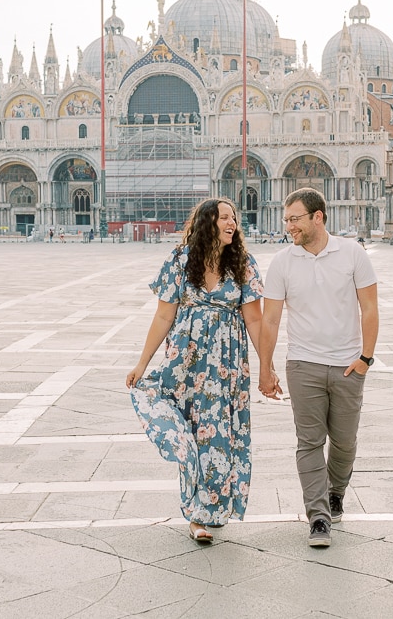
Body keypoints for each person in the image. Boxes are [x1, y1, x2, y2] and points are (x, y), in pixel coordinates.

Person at [126, 198, 264, 544]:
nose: (232, 223)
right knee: (188, 436)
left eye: (234, 218)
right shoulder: (180, 260)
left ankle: (208, 513)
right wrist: (142, 363)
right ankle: (195, 510)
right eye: (224, 218)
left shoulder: (244, 264)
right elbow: (163, 316)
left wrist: (269, 367)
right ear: (207, 222)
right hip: (184, 363)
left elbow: (255, 320)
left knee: (218, 435)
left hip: (226, 366)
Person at [258, 187, 378, 548]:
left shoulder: (353, 254)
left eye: (295, 219)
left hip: (347, 365)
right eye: (286, 219)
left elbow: (369, 308)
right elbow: (270, 321)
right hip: (303, 364)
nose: (288, 225)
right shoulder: (282, 262)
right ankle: (319, 517)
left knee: (344, 442)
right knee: (309, 442)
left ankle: (336, 491)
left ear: (318, 217)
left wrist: (365, 359)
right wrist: (266, 368)